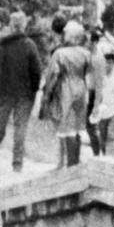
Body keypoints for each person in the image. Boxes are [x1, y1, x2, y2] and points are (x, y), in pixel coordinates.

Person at [0, 10, 42, 172]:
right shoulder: (30, 45)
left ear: (11, 26)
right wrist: (34, 89)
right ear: (24, 25)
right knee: (20, 128)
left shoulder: (2, 45)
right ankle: (17, 164)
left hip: (3, 92)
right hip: (24, 95)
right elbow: (36, 72)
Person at [40, 24, 90, 167]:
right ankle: (75, 162)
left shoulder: (60, 53)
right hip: (81, 89)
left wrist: (47, 94)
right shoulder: (86, 53)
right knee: (78, 127)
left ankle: (69, 165)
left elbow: (53, 75)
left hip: (65, 89)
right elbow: (89, 74)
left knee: (67, 128)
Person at [85, 26, 108, 156]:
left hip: (95, 95)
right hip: (89, 93)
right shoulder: (89, 55)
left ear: (94, 42)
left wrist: (96, 105)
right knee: (90, 128)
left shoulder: (98, 58)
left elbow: (99, 83)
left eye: (88, 40)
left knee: (92, 127)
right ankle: (98, 154)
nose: (85, 42)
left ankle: (99, 155)